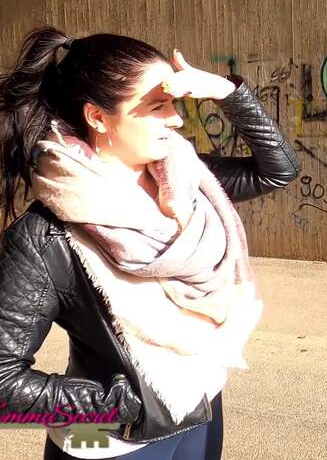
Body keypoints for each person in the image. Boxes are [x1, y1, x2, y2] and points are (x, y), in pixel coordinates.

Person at [0, 26, 300, 459]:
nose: (176, 119)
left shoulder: (183, 180)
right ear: (97, 117)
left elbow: (278, 170)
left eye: (175, 104)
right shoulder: (45, 236)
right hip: (105, 442)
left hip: (198, 407)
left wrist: (225, 92)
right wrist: (117, 403)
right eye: (157, 106)